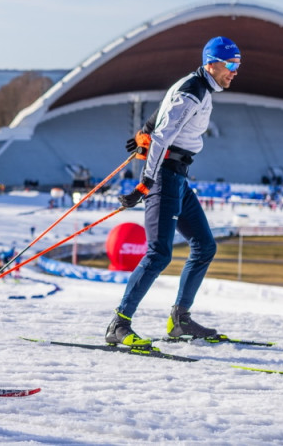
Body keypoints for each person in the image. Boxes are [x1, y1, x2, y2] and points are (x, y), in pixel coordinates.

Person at [105, 36, 240, 347]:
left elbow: (163, 110)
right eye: (231, 65)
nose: (235, 71)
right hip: (164, 176)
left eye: (238, 65)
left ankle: (180, 320)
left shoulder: (196, 85)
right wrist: (145, 182)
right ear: (212, 63)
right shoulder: (193, 91)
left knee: (205, 246)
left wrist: (144, 129)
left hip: (178, 177)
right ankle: (119, 324)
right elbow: (162, 139)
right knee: (159, 253)